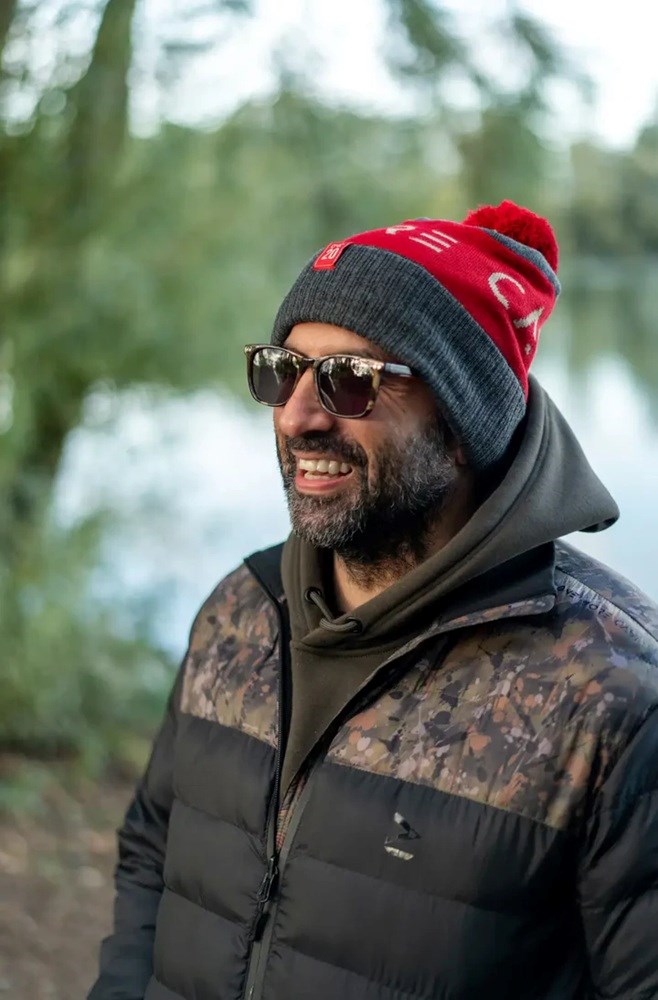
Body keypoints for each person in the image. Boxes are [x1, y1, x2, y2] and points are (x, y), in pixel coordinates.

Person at [89, 201, 658, 1000]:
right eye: (281, 370)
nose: (298, 416)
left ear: (461, 424)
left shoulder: (613, 698)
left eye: (350, 380)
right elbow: (154, 856)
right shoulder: (239, 612)